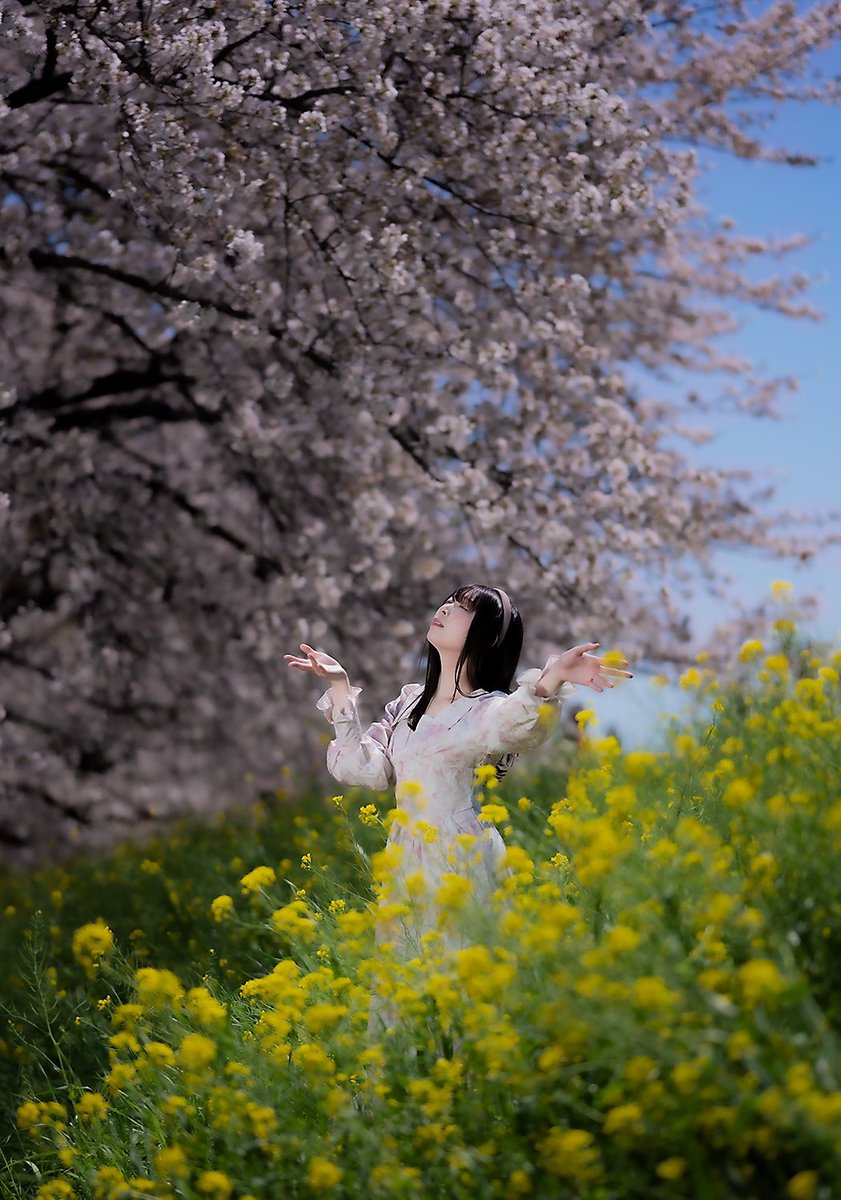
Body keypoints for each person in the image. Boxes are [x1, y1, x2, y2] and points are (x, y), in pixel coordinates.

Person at [284, 584, 632, 1038]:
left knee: (461, 989)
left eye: (464, 607)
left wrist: (550, 679)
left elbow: (516, 724)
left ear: (487, 635)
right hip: (406, 861)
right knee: (401, 992)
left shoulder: (486, 709)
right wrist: (340, 689)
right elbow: (363, 769)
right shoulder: (408, 703)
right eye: (449, 601)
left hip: (459, 858)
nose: (446, 608)